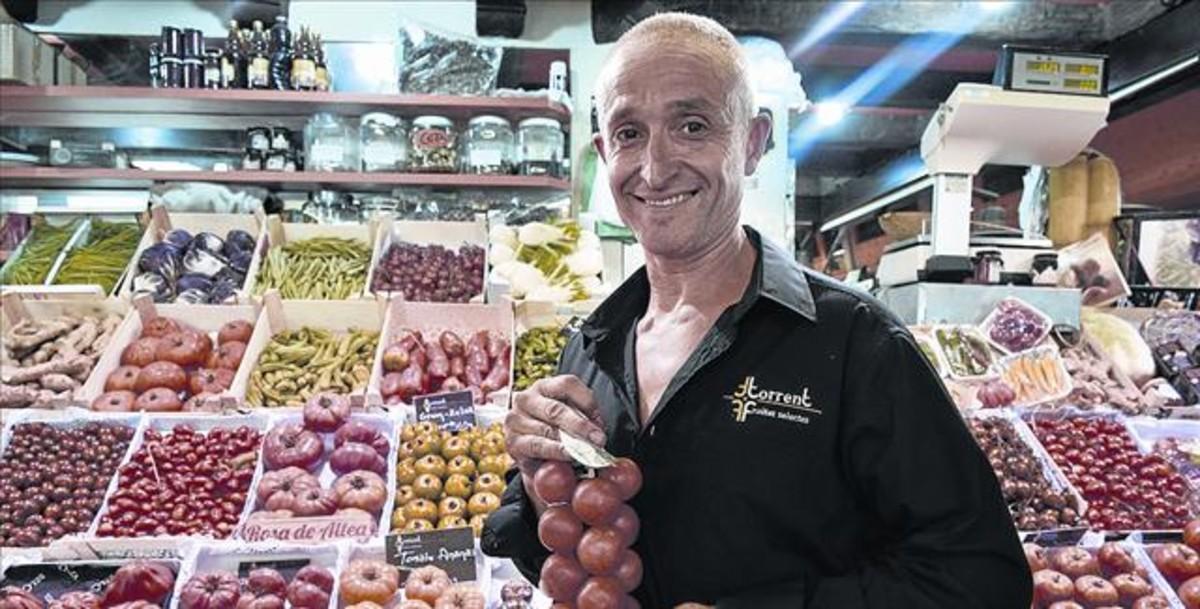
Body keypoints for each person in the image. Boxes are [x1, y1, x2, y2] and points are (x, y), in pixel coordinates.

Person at [482, 12, 1031, 609]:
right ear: (602, 152)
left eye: (692, 126)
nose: (656, 167)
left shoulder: (857, 344)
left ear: (753, 142)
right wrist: (539, 481)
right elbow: (563, 558)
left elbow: (981, 578)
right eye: (629, 133)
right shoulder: (589, 346)